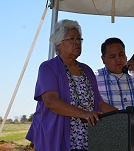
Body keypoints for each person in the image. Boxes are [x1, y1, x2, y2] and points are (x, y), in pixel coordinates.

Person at [26, 19, 117, 151]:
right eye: (71, 39)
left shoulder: (87, 70)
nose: (77, 43)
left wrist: (123, 116)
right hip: (56, 138)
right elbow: (51, 101)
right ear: (59, 44)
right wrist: (84, 114)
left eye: (79, 39)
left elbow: (99, 104)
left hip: (86, 140)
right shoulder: (48, 68)